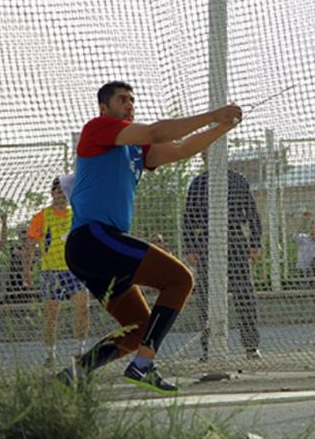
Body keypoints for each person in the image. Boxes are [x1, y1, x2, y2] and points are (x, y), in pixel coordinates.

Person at [58, 81, 242, 395]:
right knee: (180, 279)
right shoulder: (98, 128)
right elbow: (157, 132)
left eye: (132, 99)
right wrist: (214, 114)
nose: (129, 104)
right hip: (93, 239)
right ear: (104, 107)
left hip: (95, 248)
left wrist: (223, 126)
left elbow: (181, 149)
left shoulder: (135, 149)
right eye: (122, 99)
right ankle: (143, 366)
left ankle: (73, 375)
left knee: (139, 328)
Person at [183, 149, 263, 361]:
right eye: (206, 154)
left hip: (234, 239)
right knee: (206, 297)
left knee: (244, 294)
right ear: (204, 158)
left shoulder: (238, 180)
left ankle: (251, 345)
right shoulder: (198, 184)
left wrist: (255, 243)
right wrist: (190, 247)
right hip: (207, 241)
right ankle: (209, 348)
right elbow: (189, 218)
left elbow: (252, 214)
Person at [25, 177, 90, 368]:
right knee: (51, 315)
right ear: (52, 193)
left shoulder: (77, 215)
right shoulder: (42, 217)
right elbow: (30, 246)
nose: (61, 195)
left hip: (74, 269)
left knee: (82, 309)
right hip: (51, 272)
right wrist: (26, 271)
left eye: (65, 191)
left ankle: (79, 351)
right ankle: (50, 355)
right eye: (58, 191)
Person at [6, 223, 36, 302]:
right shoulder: (15, 246)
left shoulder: (35, 248)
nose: (24, 235)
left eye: (26, 232)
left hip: (30, 278)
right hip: (15, 279)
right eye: (22, 232)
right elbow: (22, 254)